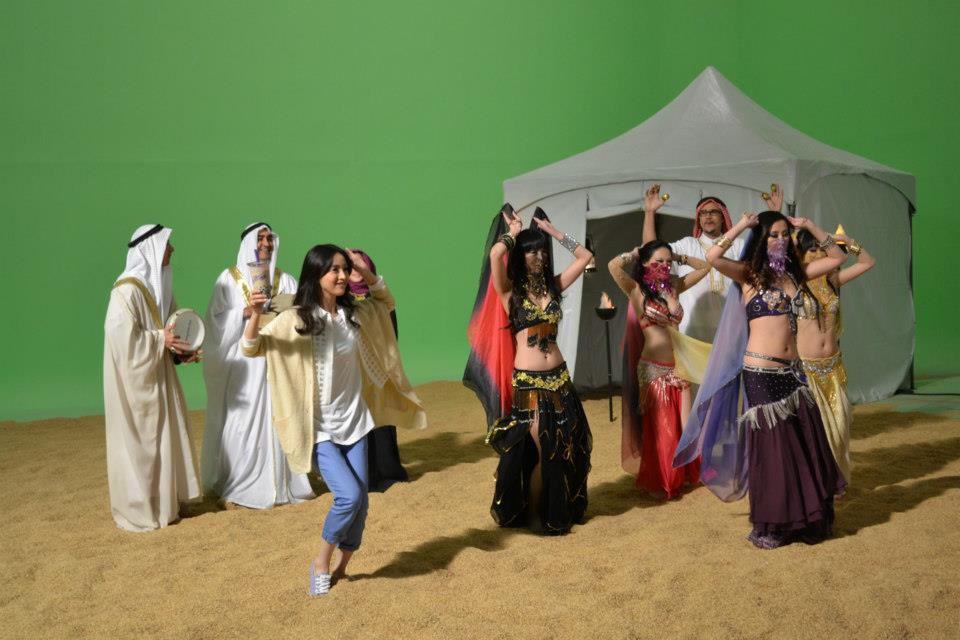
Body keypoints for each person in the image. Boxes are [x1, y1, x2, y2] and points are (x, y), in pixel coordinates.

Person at [242, 244, 426, 596]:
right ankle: (321, 563)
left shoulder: (354, 315)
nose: (343, 276)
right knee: (349, 496)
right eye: (335, 270)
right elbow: (251, 348)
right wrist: (254, 315)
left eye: (345, 269)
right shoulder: (297, 319)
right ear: (317, 276)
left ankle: (342, 567)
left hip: (355, 424)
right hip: (320, 429)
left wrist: (364, 270)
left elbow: (387, 301)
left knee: (362, 503)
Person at [674, 207, 847, 549]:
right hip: (761, 373)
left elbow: (838, 257)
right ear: (762, 240)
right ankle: (776, 522)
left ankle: (805, 518)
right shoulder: (749, 275)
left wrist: (809, 225)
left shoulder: (797, 274)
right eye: (773, 235)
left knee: (804, 441)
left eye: (784, 235)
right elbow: (713, 256)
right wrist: (741, 225)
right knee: (775, 449)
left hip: (794, 371)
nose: (780, 240)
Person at [481, 205, 594, 534]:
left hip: (560, 379)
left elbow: (585, 256)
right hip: (530, 384)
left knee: (562, 446)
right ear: (520, 255)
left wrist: (555, 233)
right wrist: (513, 234)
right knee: (541, 448)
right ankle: (535, 514)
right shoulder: (510, 292)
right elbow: (495, 255)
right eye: (531, 251)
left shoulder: (554, 287)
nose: (538, 256)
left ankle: (552, 509)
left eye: (541, 251)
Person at [201, 222, 314, 509]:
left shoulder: (285, 280)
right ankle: (239, 484)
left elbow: (300, 316)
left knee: (281, 413)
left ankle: (283, 484)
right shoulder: (228, 279)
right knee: (243, 422)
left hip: (278, 359)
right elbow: (214, 323)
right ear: (248, 244)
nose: (266, 243)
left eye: (269, 238)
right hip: (244, 364)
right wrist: (246, 311)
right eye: (260, 238)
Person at [103, 224, 201, 532]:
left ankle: (166, 502)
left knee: (164, 438)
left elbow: (172, 328)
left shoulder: (160, 287)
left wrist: (181, 352)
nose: (172, 249)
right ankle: (143, 507)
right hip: (136, 384)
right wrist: (160, 340)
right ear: (151, 249)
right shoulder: (126, 291)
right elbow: (121, 340)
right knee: (142, 442)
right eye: (167, 244)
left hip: (160, 376)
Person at [608, 240, 711, 498]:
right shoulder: (636, 290)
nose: (664, 266)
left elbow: (706, 266)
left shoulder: (674, 286)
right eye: (658, 262)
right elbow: (613, 266)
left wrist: (679, 257)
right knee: (663, 428)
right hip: (654, 368)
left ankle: (684, 472)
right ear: (645, 263)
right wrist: (633, 253)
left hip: (679, 365)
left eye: (667, 262)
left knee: (684, 425)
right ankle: (665, 480)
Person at [795, 228, 876, 483]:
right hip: (805, 371)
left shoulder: (833, 281)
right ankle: (813, 485)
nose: (817, 252)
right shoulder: (794, 283)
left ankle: (831, 480)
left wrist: (848, 242)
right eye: (811, 248)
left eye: (820, 247)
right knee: (813, 433)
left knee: (839, 431)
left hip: (832, 368)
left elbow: (867, 262)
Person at [642, 184, 748, 341]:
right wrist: (650, 212)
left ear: (723, 217)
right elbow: (651, 251)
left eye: (713, 212)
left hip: (730, 333)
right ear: (698, 219)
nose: (708, 216)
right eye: (703, 213)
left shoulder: (739, 245)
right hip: (691, 334)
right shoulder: (688, 245)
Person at [346, 248, 408, 492]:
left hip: (380, 372)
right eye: (350, 266)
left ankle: (388, 471)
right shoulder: (340, 301)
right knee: (359, 426)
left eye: (360, 264)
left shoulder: (379, 299)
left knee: (383, 423)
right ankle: (363, 475)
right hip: (353, 374)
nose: (355, 269)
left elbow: (390, 329)